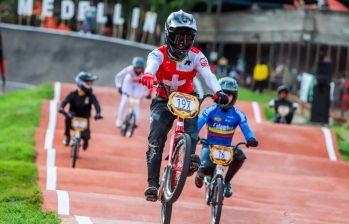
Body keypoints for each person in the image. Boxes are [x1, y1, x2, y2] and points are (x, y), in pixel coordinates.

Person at [139, 10, 229, 202]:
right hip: (164, 99)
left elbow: (208, 75)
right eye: (178, 37)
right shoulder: (158, 53)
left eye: (187, 38)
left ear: (193, 39)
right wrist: (148, 75)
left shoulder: (197, 56)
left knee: (191, 128)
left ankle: (190, 156)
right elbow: (152, 64)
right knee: (155, 140)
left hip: (188, 98)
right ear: (168, 36)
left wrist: (218, 91)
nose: (182, 43)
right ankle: (152, 185)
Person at [195, 77, 258, 197]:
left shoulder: (239, 115)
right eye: (224, 94)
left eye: (230, 95)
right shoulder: (209, 111)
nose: (226, 98)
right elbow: (197, 126)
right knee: (208, 167)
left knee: (240, 155)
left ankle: (227, 181)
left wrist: (251, 139)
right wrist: (194, 135)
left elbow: (247, 130)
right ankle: (200, 176)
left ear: (234, 97)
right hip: (209, 146)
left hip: (226, 149)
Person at [58, 72, 103, 150]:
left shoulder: (91, 96)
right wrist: (61, 108)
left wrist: (98, 113)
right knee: (68, 117)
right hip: (73, 116)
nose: (90, 87)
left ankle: (85, 140)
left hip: (85, 118)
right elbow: (64, 102)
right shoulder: (72, 94)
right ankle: (67, 136)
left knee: (86, 136)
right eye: (88, 84)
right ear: (81, 84)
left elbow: (96, 104)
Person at [115, 57, 146, 128]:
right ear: (134, 67)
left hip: (139, 84)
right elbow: (118, 76)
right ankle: (119, 119)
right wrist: (119, 87)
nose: (138, 69)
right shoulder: (129, 69)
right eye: (137, 68)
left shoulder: (146, 72)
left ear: (142, 67)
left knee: (136, 102)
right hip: (128, 83)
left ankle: (134, 121)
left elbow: (151, 81)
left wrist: (150, 93)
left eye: (140, 68)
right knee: (125, 101)